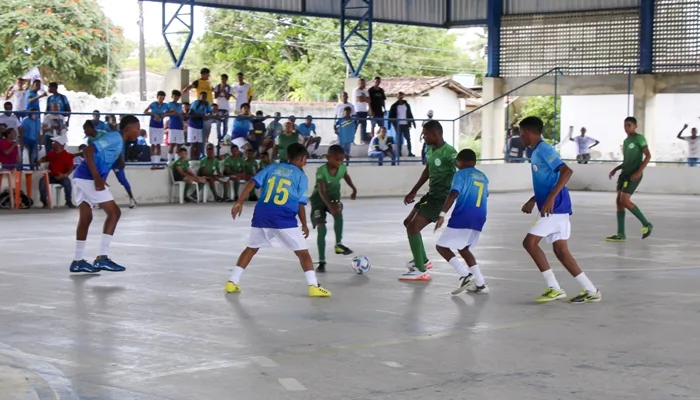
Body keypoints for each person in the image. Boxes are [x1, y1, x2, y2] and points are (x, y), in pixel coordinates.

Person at [225, 142, 331, 297]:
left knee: (252, 248)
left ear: (288, 157)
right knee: (303, 252)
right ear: (302, 159)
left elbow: (252, 182)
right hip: (283, 217)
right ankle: (313, 286)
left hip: (262, 214)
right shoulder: (301, 176)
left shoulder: (272, 168)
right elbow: (300, 204)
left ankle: (232, 281)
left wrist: (239, 201)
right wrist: (304, 224)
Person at [518, 116, 601, 303]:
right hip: (557, 206)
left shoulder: (544, 149)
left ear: (527, 132)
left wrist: (550, 198)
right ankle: (591, 290)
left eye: (521, 133)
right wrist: (533, 199)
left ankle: (554, 287)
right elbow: (548, 180)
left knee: (529, 243)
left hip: (555, 207)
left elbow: (566, 171)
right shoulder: (537, 151)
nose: (520, 137)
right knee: (561, 251)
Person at [70, 116, 141, 274]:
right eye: (137, 128)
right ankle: (102, 257)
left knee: (86, 218)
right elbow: (88, 150)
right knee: (114, 213)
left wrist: (107, 172)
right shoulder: (115, 138)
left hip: (80, 176)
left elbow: (105, 158)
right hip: (88, 177)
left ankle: (78, 261)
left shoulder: (119, 141)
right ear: (128, 129)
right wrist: (97, 178)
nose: (139, 131)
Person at [399, 120, 457, 281]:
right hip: (431, 195)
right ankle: (423, 260)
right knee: (408, 223)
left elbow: (463, 169)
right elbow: (428, 170)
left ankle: (421, 270)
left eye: (425, 134)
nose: (423, 137)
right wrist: (414, 190)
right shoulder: (430, 149)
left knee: (413, 227)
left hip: (441, 198)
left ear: (435, 134)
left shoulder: (449, 152)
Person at [434, 149, 489, 294]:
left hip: (464, 216)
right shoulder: (483, 176)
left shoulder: (460, 174)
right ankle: (480, 283)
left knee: (441, 247)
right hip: (480, 217)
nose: (457, 164)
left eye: (457, 161)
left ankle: (465, 275)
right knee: (464, 248)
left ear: (462, 161)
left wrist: (442, 214)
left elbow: (454, 193)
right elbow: (486, 194)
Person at [310, 145, 358, 273]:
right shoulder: (321, 171)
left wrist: (353, 188)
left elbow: (346, 175)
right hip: (318, 201)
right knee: (322, 228)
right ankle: (321, 261)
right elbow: (322, 191)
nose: (340, 162)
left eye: (341, 160)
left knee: (338, 214)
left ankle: (338, 244)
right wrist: (330, 206)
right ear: (329, 157)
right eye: (337, 160)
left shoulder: (341, 168)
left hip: (333, 198)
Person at [606, 117, 653, 242]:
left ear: (635, 126)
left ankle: (646, 224)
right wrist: (616, 169)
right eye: (625, 125)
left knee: (625, 201)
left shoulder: (639, 138)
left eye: (629, 125)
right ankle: (621, 233)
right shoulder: (626, 141)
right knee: (619, 201)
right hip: (624, 174)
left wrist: (638, 171)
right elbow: (627, 161)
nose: (626, 128)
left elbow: (648, 156)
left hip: (633, 175)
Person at [37, 135, 76, 208]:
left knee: (67, 182)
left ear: (60, 144)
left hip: (62, 176)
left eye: (54, 142)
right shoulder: (51, 153)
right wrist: (40, 160)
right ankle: (44, 202)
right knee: (42, 181)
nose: (52, 143)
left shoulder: (67, 155)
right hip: (51, 175)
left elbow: (71, 168)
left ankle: (68, 201)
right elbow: (47, 158)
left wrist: (64, 175)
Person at [144, 91, 170, 169]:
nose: (161, 100)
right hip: (152, 126)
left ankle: (157, 163)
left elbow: (172, 111)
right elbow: (145, 111)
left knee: (158, 145)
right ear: (157, 97)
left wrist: (164, 114)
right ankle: (153, 163)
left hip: (160, 126)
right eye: (160, 98)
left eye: (163, 98)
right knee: (153, 145)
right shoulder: (153, 104)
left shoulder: (166, 105)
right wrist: (154, 114)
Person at [388, 92, 416, 157]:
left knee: (408, 139)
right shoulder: (394, 106)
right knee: (399, 139)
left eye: (401, 96)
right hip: (398, 125)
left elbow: (410, 114)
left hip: (406, 124)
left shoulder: (406, 105)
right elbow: (390, 115)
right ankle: (399, 153)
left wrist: (413, 122)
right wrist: (389, 124)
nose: (400, 97)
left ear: (403, 97)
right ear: (397, 97)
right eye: (399, 96)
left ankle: (410, 152)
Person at [188, 92, 213, 160]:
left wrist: (208, 116)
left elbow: (210, 112)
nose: (203, 98)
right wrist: (201, 116)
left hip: (200, 126)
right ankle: (191, 159)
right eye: (202, 96)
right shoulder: (196, 102)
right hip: (193, 125)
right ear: (199, 96)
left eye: (205, 97)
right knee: (193, 144)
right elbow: (190, 112)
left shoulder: (207, 104)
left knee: (199, 144)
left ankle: (197, 159)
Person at [167, 90, 185, 163]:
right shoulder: (169, 104)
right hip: (173, 126)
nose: (176, 97)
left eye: (178, 96)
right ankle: (169, 161)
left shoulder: (180, 105)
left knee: (179, 144)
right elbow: (171, 112)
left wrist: (180, 114)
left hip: (180, 126)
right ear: (172, 96)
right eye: (175, 96)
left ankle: (177, 161)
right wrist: (178, 114)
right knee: (172, 144)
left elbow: (182, 114)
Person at [214, 74, 233, 142]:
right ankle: (219, 138)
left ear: (226, 79)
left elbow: (228, 98)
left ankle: (224, 138)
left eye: (224, 79)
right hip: (218, 107)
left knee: (225, 124)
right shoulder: (218, 86)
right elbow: (215, 96)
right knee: (218, 124)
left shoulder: (229, 88)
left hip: (226, 107)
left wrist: (224, 91)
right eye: (221, 79)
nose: (222, 80)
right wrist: (220, 90)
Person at [353, 78, 370, 144]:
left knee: (364, 126)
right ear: (359, 83)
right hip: (357, 111)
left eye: (364, 83)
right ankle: (352, 139)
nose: (363, 84)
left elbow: (369, 100)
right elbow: (359, 99)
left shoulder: (366, 91)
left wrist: (364, 97)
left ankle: (363, 140)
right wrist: (364, 98)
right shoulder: (356, 90)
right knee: (355, 126)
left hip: (364, 111)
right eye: (361, 83)